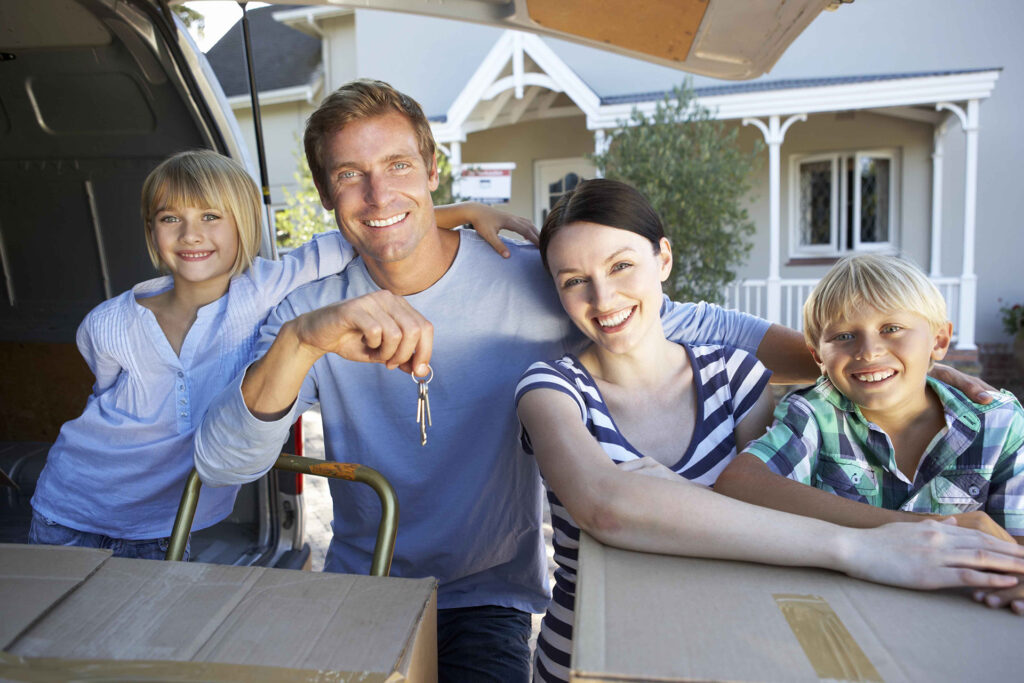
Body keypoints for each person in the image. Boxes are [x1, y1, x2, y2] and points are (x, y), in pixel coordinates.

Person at [192, 79, 817, 682]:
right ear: (328, 196)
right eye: (350, 175)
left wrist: (843, 359)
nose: (378, 195)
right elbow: (224, 463)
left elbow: (685, 320)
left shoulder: (527, 279)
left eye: (399, 165)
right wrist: (303, 342)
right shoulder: (308, 311)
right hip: (365, 580)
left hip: (488, 594)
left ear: (432, 170)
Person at [515, 180, 1024, 683]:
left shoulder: (735, 375)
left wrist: (915, 367)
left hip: (729, 646)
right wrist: (867, 544)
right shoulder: (548, 388)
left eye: (621, 265)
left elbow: (772, 504)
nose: (603, 297)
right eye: (574, 280)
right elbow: (605, 504)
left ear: (663, 260)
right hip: (589, 657)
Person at [28, 148, 529, 560]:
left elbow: (366, 231)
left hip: (165, 522)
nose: (191, 234)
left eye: (210, 217)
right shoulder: (107, 322)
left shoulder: (268, 288)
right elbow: (104, 395)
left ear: (243, 224)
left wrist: (462, 212)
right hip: (69, 504)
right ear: (152, 232)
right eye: (169, 219)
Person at [714, 253, 1024, 615]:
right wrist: (922, 528)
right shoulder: (815, 413)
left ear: (939, 341)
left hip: (958, 617)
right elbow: (740, 482)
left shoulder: (999, 423)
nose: (869, 351)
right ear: (818, 357)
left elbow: (1015, 551)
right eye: (844, 336)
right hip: (845, 612)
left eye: (891, 328)